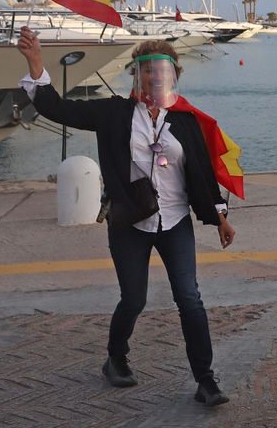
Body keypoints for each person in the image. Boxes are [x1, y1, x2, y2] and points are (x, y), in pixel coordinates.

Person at [16, 29, 237, 406]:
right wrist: (36, 64)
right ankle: (115, 357)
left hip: (175, 221)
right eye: (146, 72)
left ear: (174, 75)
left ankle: (206, 379)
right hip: (129, 223)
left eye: (161, 72)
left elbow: (200, 172)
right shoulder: (114, 113)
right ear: (136, 76)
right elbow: (58, 109)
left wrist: (220, 216)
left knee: (190, 299)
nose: (154, 78)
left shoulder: (184, 120)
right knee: (134, 299)